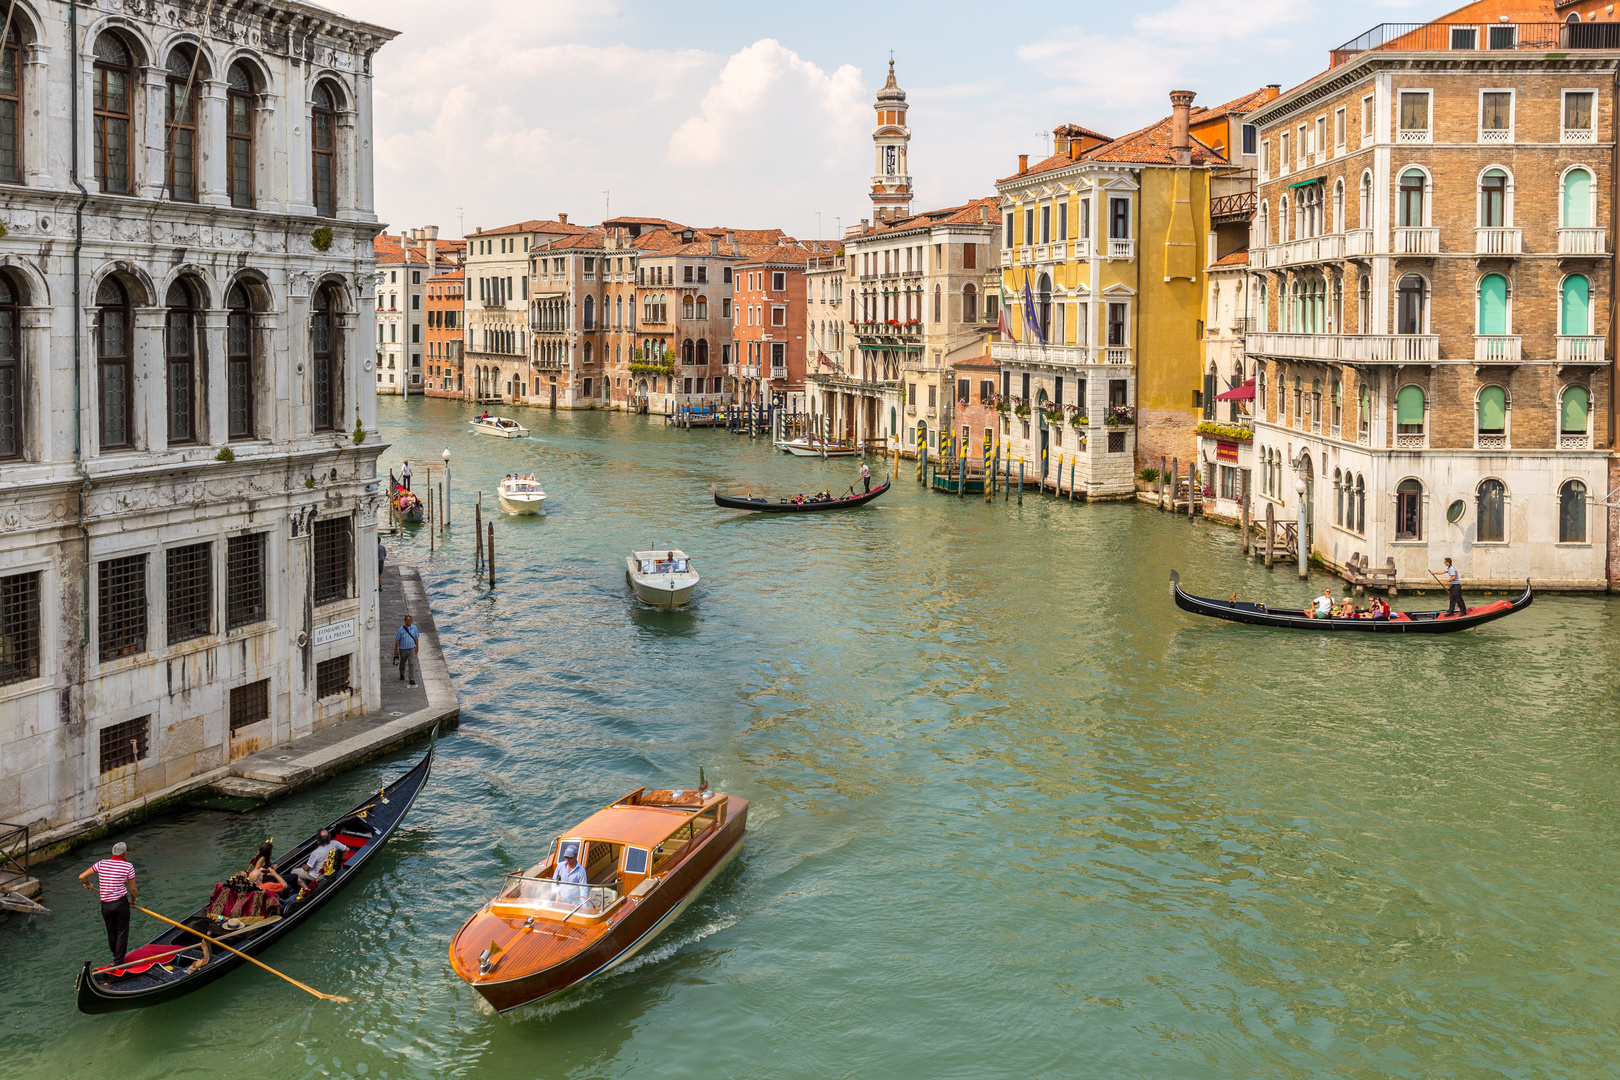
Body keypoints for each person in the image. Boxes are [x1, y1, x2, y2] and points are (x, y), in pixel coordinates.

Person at [79, 842, 137, 963]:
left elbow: (82, 877)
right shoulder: (128, 866)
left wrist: (88, 884)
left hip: (106, 905)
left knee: (111, 931)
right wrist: (133, 900)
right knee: (122, 931)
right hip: (120, 903)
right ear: (125, 853)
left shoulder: (102, 863)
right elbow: (133, 888)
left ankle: (116, 957)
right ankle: (119, 962)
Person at [290, 830, 347, 896]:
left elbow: (307, 868)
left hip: (317, 876)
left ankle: (306, 888)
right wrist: (338, 859)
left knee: (293, 872)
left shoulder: (315, 853)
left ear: (318, 841)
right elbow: (347, 849)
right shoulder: (335, 843)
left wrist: (303, 866)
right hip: (331, 869)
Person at [394, 613, 420, 687]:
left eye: (409, 620)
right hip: (403, 649)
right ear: (405, 621)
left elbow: (416, 638)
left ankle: (411, 678)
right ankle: (402, 673)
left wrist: (417, 647)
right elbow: (397, 640)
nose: (408, 621)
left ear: (411, 621)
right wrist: (396, 650)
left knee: (411, 663)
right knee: (403, 663)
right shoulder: (401, 629)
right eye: (407, 620)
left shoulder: (414, 628)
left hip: (411, 648)